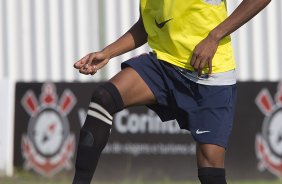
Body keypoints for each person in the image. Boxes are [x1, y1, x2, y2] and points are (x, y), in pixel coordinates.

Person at [72, 0, 271, 183]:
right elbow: (146, 25)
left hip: (210, 74)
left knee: (210, 173)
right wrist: (108, 52)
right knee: (104, 98)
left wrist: (215, 36)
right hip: (165, 66)